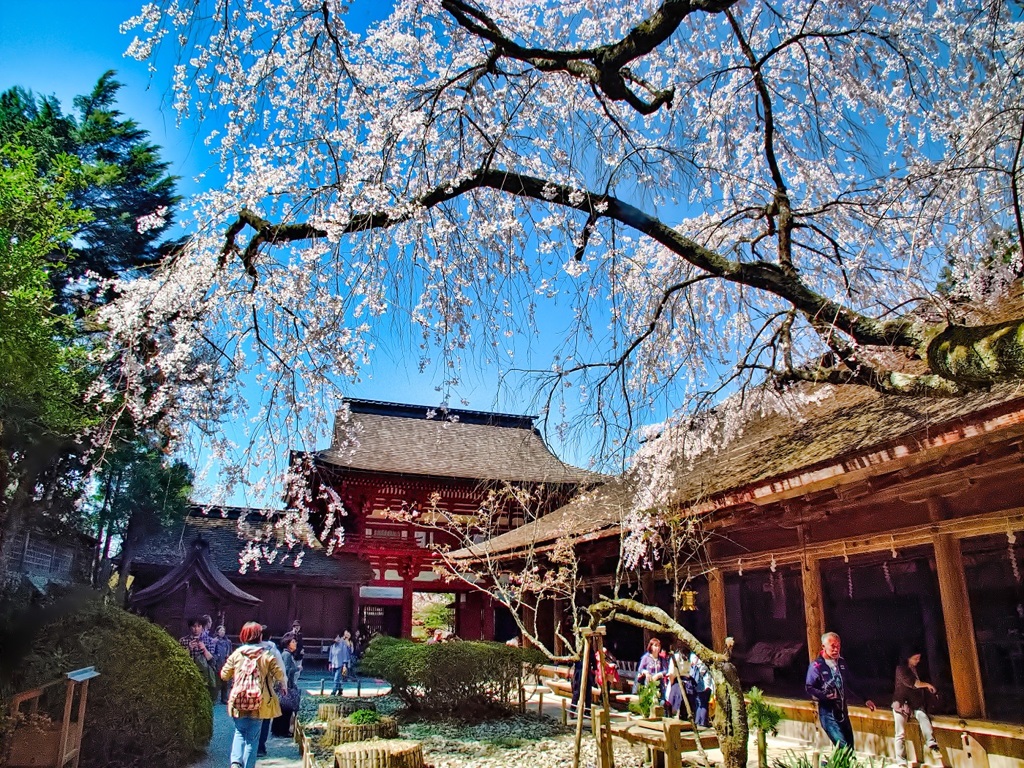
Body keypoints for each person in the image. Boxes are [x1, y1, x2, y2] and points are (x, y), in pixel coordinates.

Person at [221, 622, 286, 768]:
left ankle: (236, 763)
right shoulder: (266, 654)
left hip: (239, 700)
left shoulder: (237, 653)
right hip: (259, 701)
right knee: (252, 738)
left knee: (239, 732)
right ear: (260, 636)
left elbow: (224, 674)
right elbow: (280, 674)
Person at [806, 631, 876, 751]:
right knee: (842, 746)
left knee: (849, 749)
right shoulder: (817, 666)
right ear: (824, 646)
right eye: (833, 646)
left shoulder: (841, 662)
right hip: (828, 713)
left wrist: (866, 699)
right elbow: (809, 687)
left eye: (838, 646)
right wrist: (825, 695)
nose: (836, 649)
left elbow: (851, 683)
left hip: (842, 711)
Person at [892, 649, 941, 764]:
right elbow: (914, 684)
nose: (918, 661)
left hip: (914, 704)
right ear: (908, 658)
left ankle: (932, 744)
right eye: (915, 658)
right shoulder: (901, 669)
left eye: (919, 658)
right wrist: (928, 685)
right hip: (900, 703)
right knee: (900, 734)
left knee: (923, 717)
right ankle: (901, 761)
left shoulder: (915, 668)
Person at [256, 625, 286, 756]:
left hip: (250, 686)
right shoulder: (272, 649)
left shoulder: (249, 647)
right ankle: (260, 746)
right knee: (265, 718)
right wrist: (283, 684)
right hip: (267, 687)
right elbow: (280, 668)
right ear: (270, 636)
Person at [180, 617, 219, 701]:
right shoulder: (183, 640)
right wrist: (189, 648)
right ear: (190, 627)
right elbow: (180, 659)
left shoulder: (209, 640)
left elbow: (212, 661)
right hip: (189, 674)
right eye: (194, 626)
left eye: (199, 626)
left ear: (202, 627)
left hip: (204, 676)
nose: (196, 629)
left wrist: (204, 649)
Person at [271, 634, 301, 737]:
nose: (295, 643)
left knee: (283, 708)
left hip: (285, 683)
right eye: (293, 642)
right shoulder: (287, 655)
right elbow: (287, 670)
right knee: (286, 708)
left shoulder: (287, 654)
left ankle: (278, 730)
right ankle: (282, 730)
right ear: (288, 644)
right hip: (286, 684)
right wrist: (298, 668)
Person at [210, 625, 234, 704]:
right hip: (217, 662)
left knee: (226, 682)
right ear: (217, 632)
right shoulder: (214, 641)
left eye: (223, 630)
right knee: (216, 682)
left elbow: (230, 652)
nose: (222, 632)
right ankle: (214, 698)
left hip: (225, 662)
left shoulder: (228, 642)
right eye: (221, 630)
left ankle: (224, 698)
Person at [329, 630, 354, 695]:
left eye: (338, 637)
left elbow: (345, 655)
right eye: (336, 638)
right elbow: (331, 655)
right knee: (338, 677)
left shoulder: (343, 645)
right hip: (334, 664)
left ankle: (334, 690)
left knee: (336, 677)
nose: (337, 639)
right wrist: (330, 663)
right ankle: (340, 689)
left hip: (340, 664)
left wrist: (344, 664)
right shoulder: (332, 646)